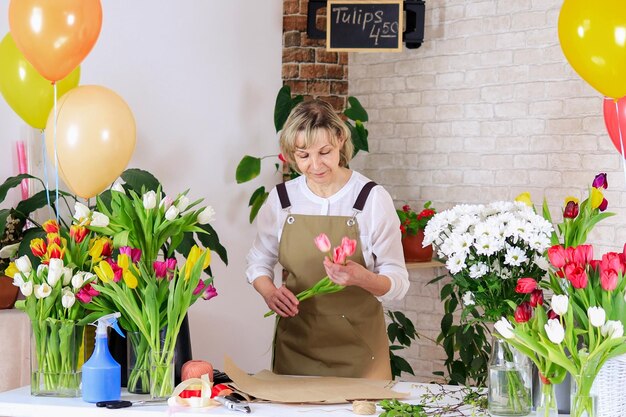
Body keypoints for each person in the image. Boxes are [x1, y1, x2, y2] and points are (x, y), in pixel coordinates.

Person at [246, 99, 409, 380]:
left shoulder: (371, 199)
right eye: (303, 155)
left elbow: (398, 282)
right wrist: (269, 292)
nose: (315, 165)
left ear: (340, 139)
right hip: (297, 348)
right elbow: (258, 263)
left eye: (324, 152)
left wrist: (362, 278)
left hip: (361, 354)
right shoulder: (283, 200)